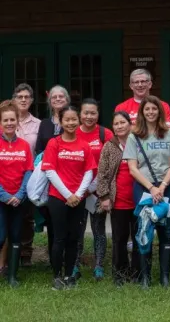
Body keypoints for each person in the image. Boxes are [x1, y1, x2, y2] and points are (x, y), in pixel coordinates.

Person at [123, 95, 170, 288]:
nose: (150, 112)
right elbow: (133, 168)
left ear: (160, 111)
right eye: (147, 109)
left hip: (168, 187)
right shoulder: (134, 136)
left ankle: (165, 277)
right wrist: (151, 187)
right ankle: (145, 277)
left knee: (166, 231)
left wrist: (162, 187)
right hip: (144, 188)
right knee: (144, 230)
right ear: (142, 112)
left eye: (154, 109)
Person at [42, 105, 96, 290]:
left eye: (74, 119)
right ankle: (56, 276)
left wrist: (78, 194)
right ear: (61, 121)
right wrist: (67, 194)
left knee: (74, 238)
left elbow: (89, 171)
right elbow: (50, 171)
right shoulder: (54, 143)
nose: (71, 123)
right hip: (58, 197)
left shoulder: (84, 145)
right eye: (67, 120)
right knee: (59, 238)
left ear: (78, 120)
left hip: (78, 198)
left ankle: (69, 275)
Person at [73, 98, 114, 281]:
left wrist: (99, 188)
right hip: (77, 193)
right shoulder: (71, 132)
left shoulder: (106, 134)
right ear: (80, 115)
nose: (89, 116)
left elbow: (112, 165)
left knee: (98, 230)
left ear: (98, 114)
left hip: (99, 191)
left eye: (93, 113)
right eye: (85, 113)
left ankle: (99, 266)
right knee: (77, 230)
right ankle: (75, 264)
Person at [95, 111, 138, 286]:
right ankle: (120, 274)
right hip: (118, 200)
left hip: (138, 199)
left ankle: (137, 272)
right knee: (119, 238)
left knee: (138, 237)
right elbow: (102, 174)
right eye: (116, 124)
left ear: (130, 124)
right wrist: (104, 196)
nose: (119, 126)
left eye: (122, 122)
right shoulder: (109, 146)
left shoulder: (139, 142)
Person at [34, 85, 71, 265]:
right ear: (50, 101)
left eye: (61, 97)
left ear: (67, 100)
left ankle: (71, 259)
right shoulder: (45, 124)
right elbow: (39, 149)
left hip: (70, 175)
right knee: (52, 219)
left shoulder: (73, 119)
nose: (57, 99)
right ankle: (54, 258)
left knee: (70, 220)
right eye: (54, 97)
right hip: (49, 178)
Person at [0, 101, 34, 287]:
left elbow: (29, 171)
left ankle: (12, 276)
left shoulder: (24, 145)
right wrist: (4, 195)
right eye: (6, 120)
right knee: (0, 235)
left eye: (13, 119)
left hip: (19, 200)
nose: (10, 123)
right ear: (1, 123)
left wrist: (20, 194)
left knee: (15, 236)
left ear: (17, 122)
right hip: (1, 199)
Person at [10, 84, 40, 269]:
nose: (23, 100)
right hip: (7, 174)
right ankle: (8, 253)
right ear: (14, 99)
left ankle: (26, 253)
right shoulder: (7, 121)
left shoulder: (38, 124)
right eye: (19, 96)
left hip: (28, 175)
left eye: (26, 97)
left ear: (31, 100)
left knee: (27, 216)